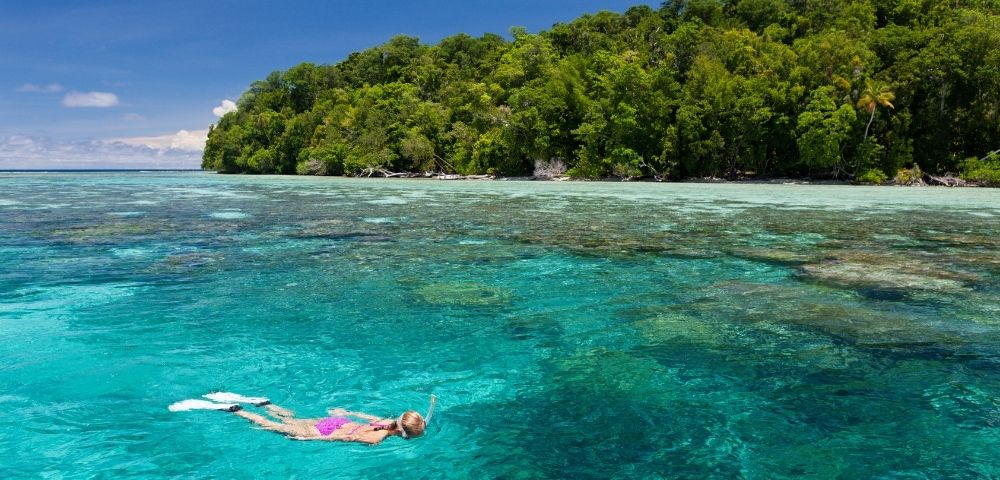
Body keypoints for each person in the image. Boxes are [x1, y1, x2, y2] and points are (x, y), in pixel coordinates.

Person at [169, 392, 436, 445]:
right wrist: (308, 439)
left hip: (335, 421)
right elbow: (348, 437)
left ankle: (264, 402)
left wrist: (345, 413)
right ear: (404, 434)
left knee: (291, 417)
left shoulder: (382, 420)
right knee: (274, 427)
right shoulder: (378, 438)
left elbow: (359, 419)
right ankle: (236, 410)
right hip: (331, 431)